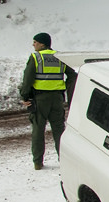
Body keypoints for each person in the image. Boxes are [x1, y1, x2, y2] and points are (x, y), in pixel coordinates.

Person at [19, 32, 76, 170]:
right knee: (59, 130)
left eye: (35, 42)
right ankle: (64, 159)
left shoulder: (36, 57)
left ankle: (38, 162)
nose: (33, 44)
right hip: (57, 99)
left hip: (40, 99)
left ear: (42, 43)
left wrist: (25, 97)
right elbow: (72, 74)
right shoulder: (59, 57)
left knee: (38, 130)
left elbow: (28, 79)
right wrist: (68, 92)